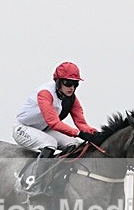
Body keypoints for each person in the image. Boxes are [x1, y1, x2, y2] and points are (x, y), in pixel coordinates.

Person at [13, 62, 104, 195]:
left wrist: (96, 134)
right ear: (58, 81)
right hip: (23, 128)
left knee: (74, 144)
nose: (72, 87)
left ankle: (56, 179)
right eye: (68, 83)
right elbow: (53, 122)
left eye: (75, 84)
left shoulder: (72, 99)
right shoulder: (45, 93)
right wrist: (79, 133)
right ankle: (36, 185)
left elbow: (81, 123)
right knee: (50, 144)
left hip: (44, 129)